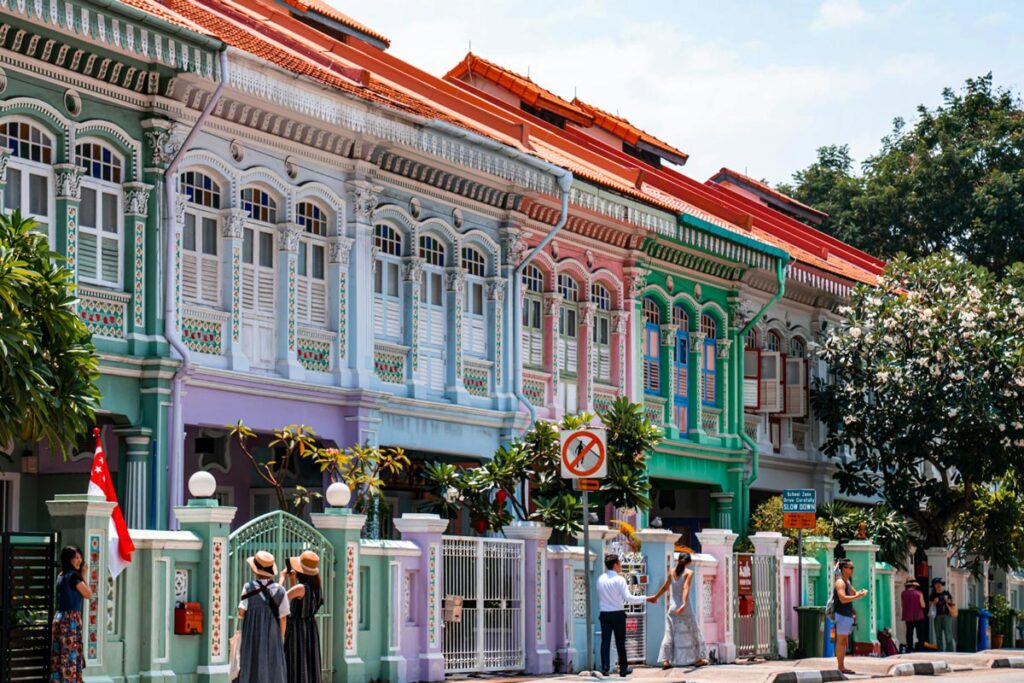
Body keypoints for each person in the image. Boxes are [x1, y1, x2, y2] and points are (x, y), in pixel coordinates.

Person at [649, 552, 709, 669]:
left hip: (672, 607)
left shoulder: (672, 572)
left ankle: (665, 660)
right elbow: (685, 587)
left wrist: (655, 597)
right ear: (689, 562)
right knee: (692, 633)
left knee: (669, 633)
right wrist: (684, 603)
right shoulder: (689, 572)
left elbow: (665, 587)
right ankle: (698, 659)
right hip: (684, 608)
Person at [238, 550, 290, 683]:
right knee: (273, 666)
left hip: (252, 634)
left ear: (255, 570)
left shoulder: (248, 587)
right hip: (273, 633)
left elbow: (241, 613)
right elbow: (283, 617)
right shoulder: (280, 591)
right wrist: (281, 637)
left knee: (251, 664)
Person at [597, 553, 649, 677]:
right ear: (615, 565)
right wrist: (645, 598)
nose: (620, 565)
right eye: (619, 563)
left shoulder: (600, 579)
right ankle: (623, 668)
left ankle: (605, 667)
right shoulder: (620, 580)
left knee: (605, 642)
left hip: (604, 614)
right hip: (618, 614)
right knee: (620, 642)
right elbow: (628, 598)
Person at [51, 545, 93, 682]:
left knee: (59, 655)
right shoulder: (74, 576)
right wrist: (84, 575)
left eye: (80, 557)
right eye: (76, 557)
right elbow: (88, 594)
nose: (79, 560)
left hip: (59, 618)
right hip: (70, 620)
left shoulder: (60, 575)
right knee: (69, 656)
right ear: (68, 559)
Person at [282, 550, 324, 683]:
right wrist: (293, 580)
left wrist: (282, 578)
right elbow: (299, 601)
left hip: (297, 631)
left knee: (295, 664)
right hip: (310, 629)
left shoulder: (301, 588)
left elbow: (279, 598)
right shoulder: (316, 588)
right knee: (309, 665)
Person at [833, 558, 868, 675]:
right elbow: (842, 599)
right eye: (850, 568)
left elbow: (854, 593)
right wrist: (858, 596)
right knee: (841, 642)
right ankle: (841, 666)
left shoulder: (847, 582)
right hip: (842, 614)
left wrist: (861, 593)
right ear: (843, 569)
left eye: (853, 567)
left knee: (843, 642)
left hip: (846, 615)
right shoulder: (840, 582)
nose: (852, 570)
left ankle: (842, 666)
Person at [929, 578, 956, 652]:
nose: (938, 585)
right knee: (938, 635)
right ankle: (940, 651)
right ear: (934, 586)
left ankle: (950, 651)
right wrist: (934, 602)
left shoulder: (946, 593)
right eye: (936, 584)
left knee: (948, 635)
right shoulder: (933, 595)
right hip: (937, 617)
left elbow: (952, 602)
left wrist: (947, 600)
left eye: (939, 584)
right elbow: (930, 604)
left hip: (947, 616)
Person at [900, 579, 927, 651]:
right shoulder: (919, 593)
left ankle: (910, 647)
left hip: (908, 616)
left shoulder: (903, 593)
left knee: (909, 632)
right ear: (915, 586)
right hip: (918, 616)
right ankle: (921, 647)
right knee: (920, 633)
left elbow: (902, 605)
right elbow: (923, 605)